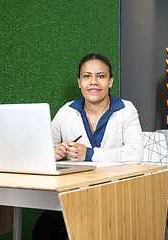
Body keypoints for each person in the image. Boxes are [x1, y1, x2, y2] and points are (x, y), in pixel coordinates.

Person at [32, 53, 144, 240]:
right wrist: (55, 153)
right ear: (79, 82)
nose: (93, 82)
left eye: (100, 76)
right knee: (44, 230)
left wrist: (90, 154)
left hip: (116, 195)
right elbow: (43, 148)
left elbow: (135, 154)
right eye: (87, 76)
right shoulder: (66, 111)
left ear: (110, 82)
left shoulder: (126, 109)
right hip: (75, 196)